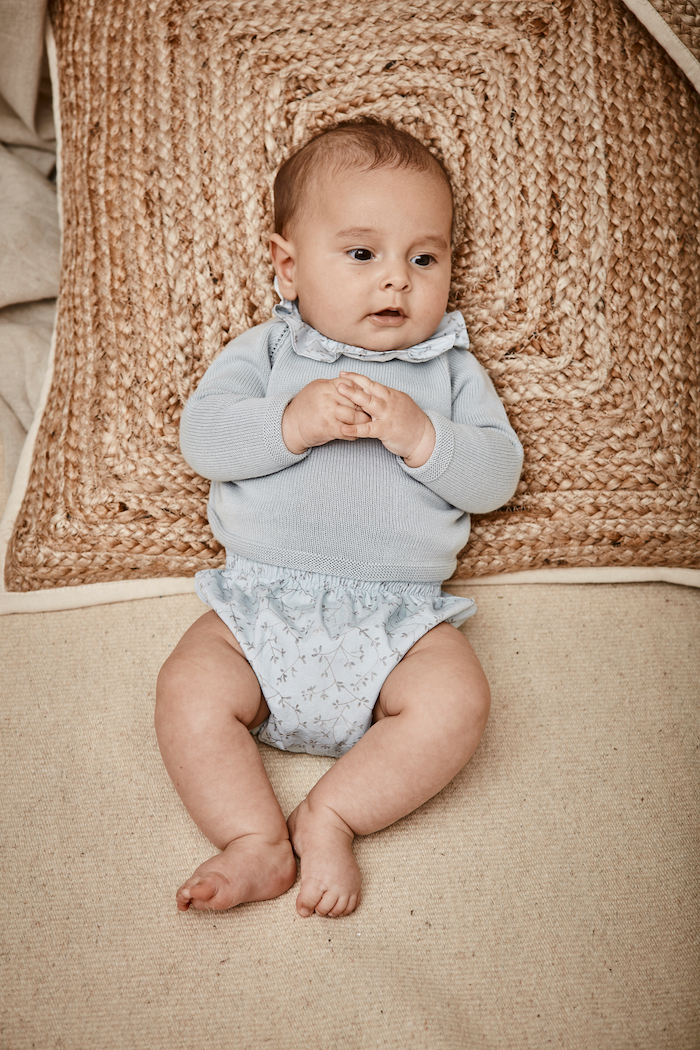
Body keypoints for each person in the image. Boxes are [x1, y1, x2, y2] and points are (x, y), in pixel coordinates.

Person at [155, 117, 523, 919]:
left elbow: (497, 476)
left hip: (396, 625)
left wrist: (422, 437)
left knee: (458, 698)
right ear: (288, 267)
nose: (396, 281)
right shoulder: (271, 354)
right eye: (362, 255)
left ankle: (332, 814)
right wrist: (291, 422)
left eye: (423, 258)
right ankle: (254, 839)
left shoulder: (449, 370)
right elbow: (204, 438)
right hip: (256, 611)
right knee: (188, 688)